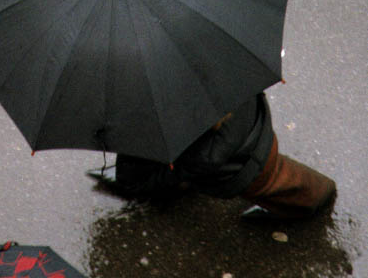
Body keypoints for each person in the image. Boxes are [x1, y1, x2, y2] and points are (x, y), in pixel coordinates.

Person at [100, 94, 336, 220]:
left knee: (283, 189)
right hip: (257, 136)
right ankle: (314, 195)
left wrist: (134, 170)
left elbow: (141, 178)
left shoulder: (205, 154)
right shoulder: (229, 86)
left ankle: (309, 205)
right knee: (279, 175)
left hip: (244, 171)